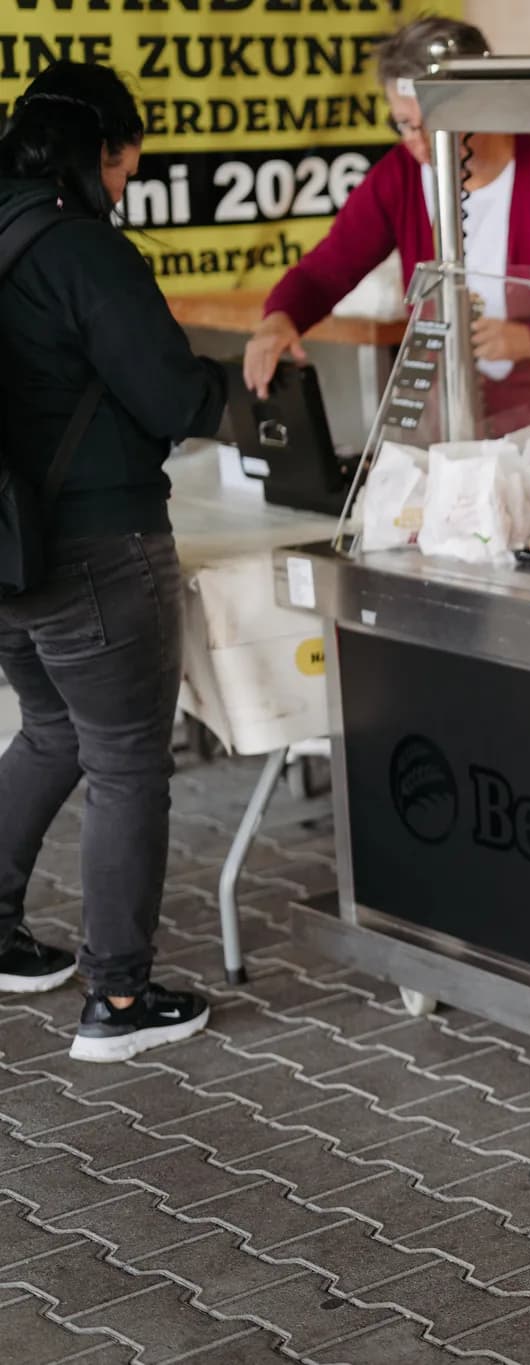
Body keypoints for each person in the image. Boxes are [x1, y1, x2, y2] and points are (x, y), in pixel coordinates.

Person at [0, 61, 225, 1059]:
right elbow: (172, 398)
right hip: (97, 546)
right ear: (103, 151)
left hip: (8, 552)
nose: (127, 182)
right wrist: (228, 386)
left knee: (51, 729)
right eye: (129, 162)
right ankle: (120, 998)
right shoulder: (84, 248)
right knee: (127, 762)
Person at [245, 17, 530, 431]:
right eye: (404, 124)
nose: (419, 143)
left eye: (435, 124)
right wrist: (280, 319)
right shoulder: (399, 176)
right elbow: (326, 270)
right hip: (446, 413)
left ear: (482, 101)